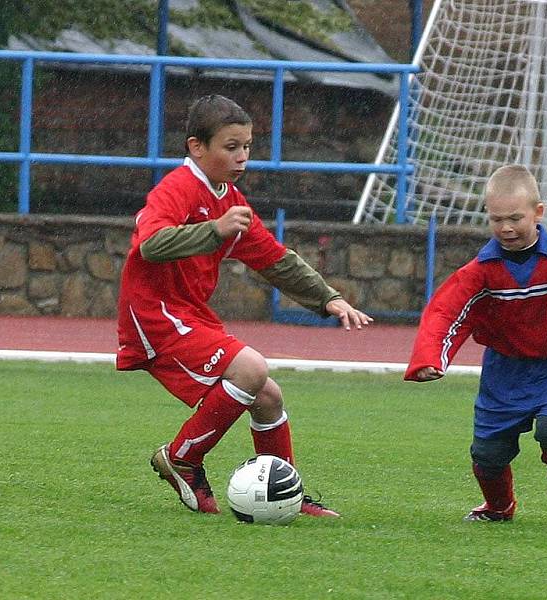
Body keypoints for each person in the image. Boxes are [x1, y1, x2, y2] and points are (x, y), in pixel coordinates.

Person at [116, 94, 372, 517]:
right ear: (197, 147)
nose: (242, 157)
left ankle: (284, 490)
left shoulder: (231, 200)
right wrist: (212, 231)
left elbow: (274, 259)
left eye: (247, 147)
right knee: (251, 368)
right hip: (154, 312)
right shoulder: (177, 188)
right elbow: (151, 244)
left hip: (189, 311)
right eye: (230, 147)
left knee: (268, 396)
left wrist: (329, 297)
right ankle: (181, 457)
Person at [405, 164, 547, 521]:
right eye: (496, 219)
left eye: (515, 218)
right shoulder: (482, 271)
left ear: (539, 213)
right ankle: (499, 508)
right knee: (487, 455)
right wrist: (430, 358)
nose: (506, 228)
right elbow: (446, 312)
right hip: (504, 373)